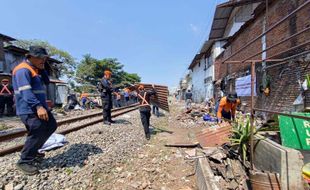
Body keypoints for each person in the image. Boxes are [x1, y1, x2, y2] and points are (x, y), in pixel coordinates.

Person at [12, 46, 57, 175]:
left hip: (40, 107)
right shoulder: (22, 70)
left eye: (44, 58)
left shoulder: (35, 69)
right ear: (30, 57)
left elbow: (47, 82)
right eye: (40, 58)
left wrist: (42, 70)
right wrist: (38, 106)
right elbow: (26, 91)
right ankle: (24, 161)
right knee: (37, 130)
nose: (43, 60)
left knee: (51, 125)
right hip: (29, 108)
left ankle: (34, 150)